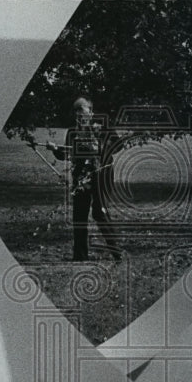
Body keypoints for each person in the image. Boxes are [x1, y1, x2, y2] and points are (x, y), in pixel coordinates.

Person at [43, 97, 122, 262]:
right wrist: (55, 149)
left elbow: (118, 145)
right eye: (76, 111)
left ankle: (117, 253)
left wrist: (100, 146)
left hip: (101, 174)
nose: (79, 115)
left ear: (91, 112)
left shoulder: (102, 128)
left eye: (82, 110)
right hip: (81, 178)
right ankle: (80, 257)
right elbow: (66, 154)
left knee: (99, 212)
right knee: (79, 216)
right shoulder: (72, 132)